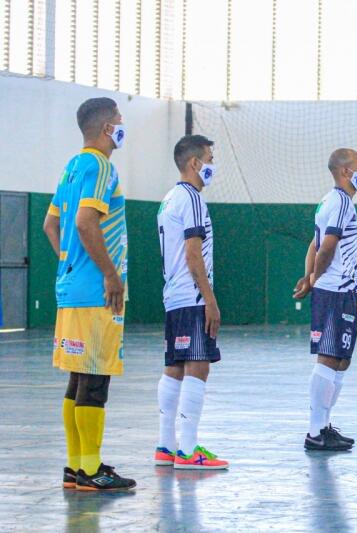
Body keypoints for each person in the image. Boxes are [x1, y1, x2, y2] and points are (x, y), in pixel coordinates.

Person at [43, 97, 136, 490]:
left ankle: (76, 466)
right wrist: (109, 275)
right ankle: (92, 469)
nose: (121, 125)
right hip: (97, 293)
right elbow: (84, 222)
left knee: (78, 377)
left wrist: (74, 266)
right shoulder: (101, 166)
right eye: (118, 119)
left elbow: (52, 225)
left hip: (71, 288)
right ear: (104, 128)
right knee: (95, 379)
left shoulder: (71, 167)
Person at [154, 135, 228, 469]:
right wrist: (210, 301)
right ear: (195, 163)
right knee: (198, 365)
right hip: (193, 295)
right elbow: (193, 253)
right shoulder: (192, 198)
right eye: (210, 158)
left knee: (174, 367)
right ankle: (188, 450)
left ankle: (165, 446)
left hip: (173, 295)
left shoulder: (168, 198)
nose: (213, 165)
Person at [294, 148, 357, 451]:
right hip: (334, 291)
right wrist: (313, 279)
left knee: (341, 360)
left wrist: (308, 274)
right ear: (346, 172)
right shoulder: (338, 202)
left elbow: (315, 243)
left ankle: (324, 424)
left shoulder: (334, 202)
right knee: (328, 357)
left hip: (345, 291)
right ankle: (315, 431)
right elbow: (326, 248)